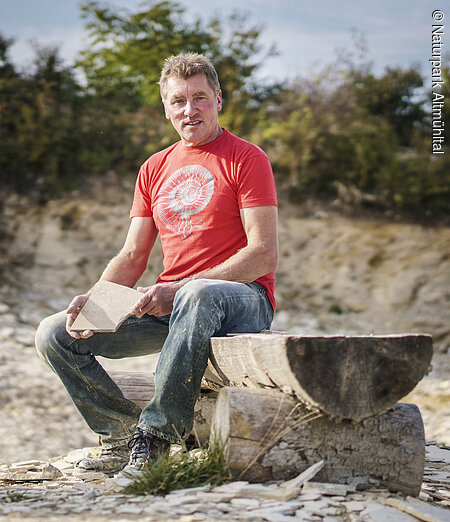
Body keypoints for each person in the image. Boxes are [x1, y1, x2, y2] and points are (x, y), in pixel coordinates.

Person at [35, 52, 278, 474]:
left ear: (219, 100)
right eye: (178, 101)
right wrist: (96, 301)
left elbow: (263, 254)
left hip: (242, 300)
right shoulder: (154, 168)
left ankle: (159, 438)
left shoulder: (247, 158)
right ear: (165, 108)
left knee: (198, 292)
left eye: (200, 98)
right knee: (55, 333)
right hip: (169, 303)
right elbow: (132, 256)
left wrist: (179, 290)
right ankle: (122, 436)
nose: (190, 110)